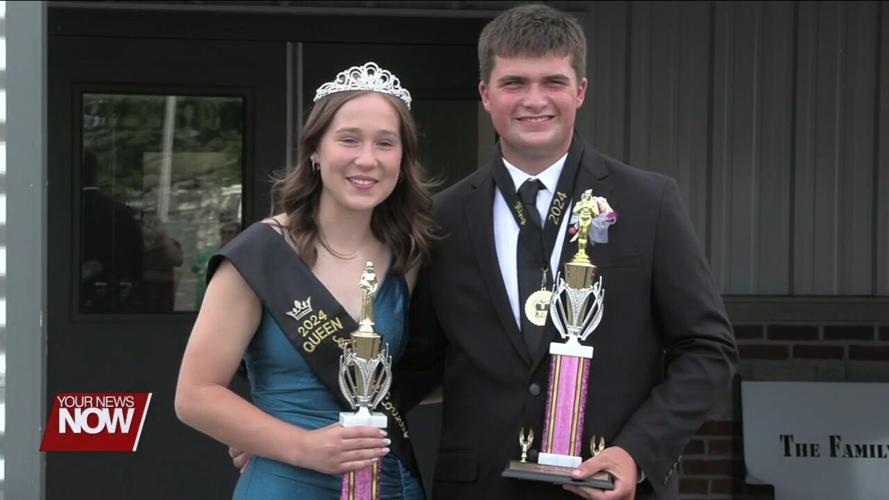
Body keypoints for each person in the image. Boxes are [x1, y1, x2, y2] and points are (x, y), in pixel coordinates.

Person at [395, 5, 739, 500]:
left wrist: (636, 451)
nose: (534, 100)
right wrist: (300, 429)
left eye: (552, 81)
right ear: (486, 96)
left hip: (606, 486)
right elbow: (416, 361)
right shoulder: (441, 217)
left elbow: (709, 350)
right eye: (514, 83)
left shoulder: (649, 202)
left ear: (580, 90)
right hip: (480, 488)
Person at [175, 61, 435, 499]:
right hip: (286, 482)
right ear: (315, 150)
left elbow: (425, 375)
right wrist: (304, 446)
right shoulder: (259, 255)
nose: (366, 159)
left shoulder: (410, 258)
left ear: (403, 159)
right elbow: (195, 395)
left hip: (388, 486)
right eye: (349, 139)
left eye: (385, 143)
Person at [191, 221, 240, 308]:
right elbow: (195, 269)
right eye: (223, 232)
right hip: (203, 301)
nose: (226, 235)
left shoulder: (241, 253)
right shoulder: (208, 253)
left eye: (230, 232)